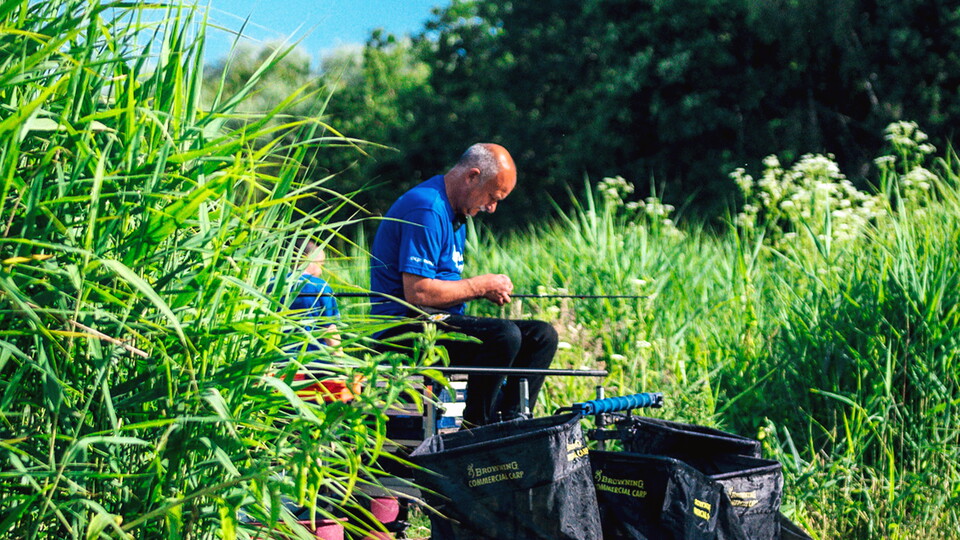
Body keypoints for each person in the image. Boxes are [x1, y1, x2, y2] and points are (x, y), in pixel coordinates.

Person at [369, 143, 558, 427]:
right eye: (492, 197)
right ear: (472, 176)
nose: (491, 208)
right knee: (503, 335)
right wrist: (481, 286)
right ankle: (478, 428)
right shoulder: (428, 209)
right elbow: (418, 293)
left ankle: (512, 422)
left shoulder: (457, 214)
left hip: (437, 320)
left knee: (542, 335)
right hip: (400, 328)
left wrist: (484, 290)